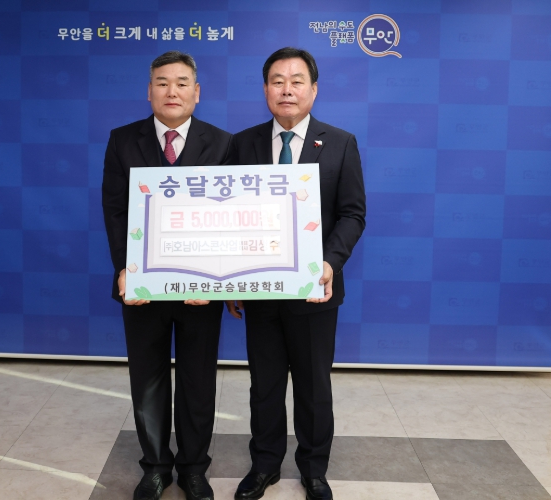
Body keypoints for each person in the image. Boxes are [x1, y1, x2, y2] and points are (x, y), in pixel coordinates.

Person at [226, 47, 366, 500]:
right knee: (264, 385)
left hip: (314, 290)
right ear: (266, 89)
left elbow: (352, 214)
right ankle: (264, 465)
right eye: (277, 81)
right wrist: (229, 278)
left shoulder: (340, 143)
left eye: (297, 80)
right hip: (260, 289)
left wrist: (329, 262)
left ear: (314, 89)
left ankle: (313, 468)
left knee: (313, 386)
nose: (287, 89)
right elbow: (228, 216)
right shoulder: (242, 144)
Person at [102, 51, 235, 500]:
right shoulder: (123, 140)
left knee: (198, 380)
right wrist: (125, 271)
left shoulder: (223, 143)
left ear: (197, 92)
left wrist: (216, 279)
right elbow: (115, 211)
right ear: (149, 92)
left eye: (181, 83)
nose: (171, 91)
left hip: (201, 288)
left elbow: (231, 217)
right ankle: (156, 466)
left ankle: (194, 468)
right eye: (162, 83)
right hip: (144, 287)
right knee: (148, 379)